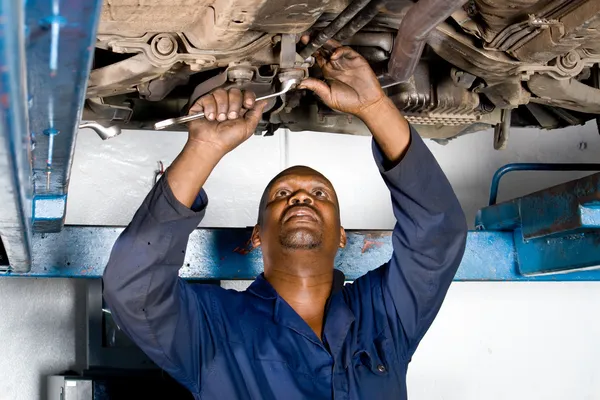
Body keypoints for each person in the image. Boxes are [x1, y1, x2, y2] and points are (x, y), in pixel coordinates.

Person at [102, 41, 467, 400]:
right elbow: (135, 291)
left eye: (320, 194)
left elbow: (437, 235)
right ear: (257, 235)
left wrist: (375, 107)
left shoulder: (384, 315)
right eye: (282, 195)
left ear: (342, 236)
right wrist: (203, 149)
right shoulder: (212, 327)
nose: (302, 197)